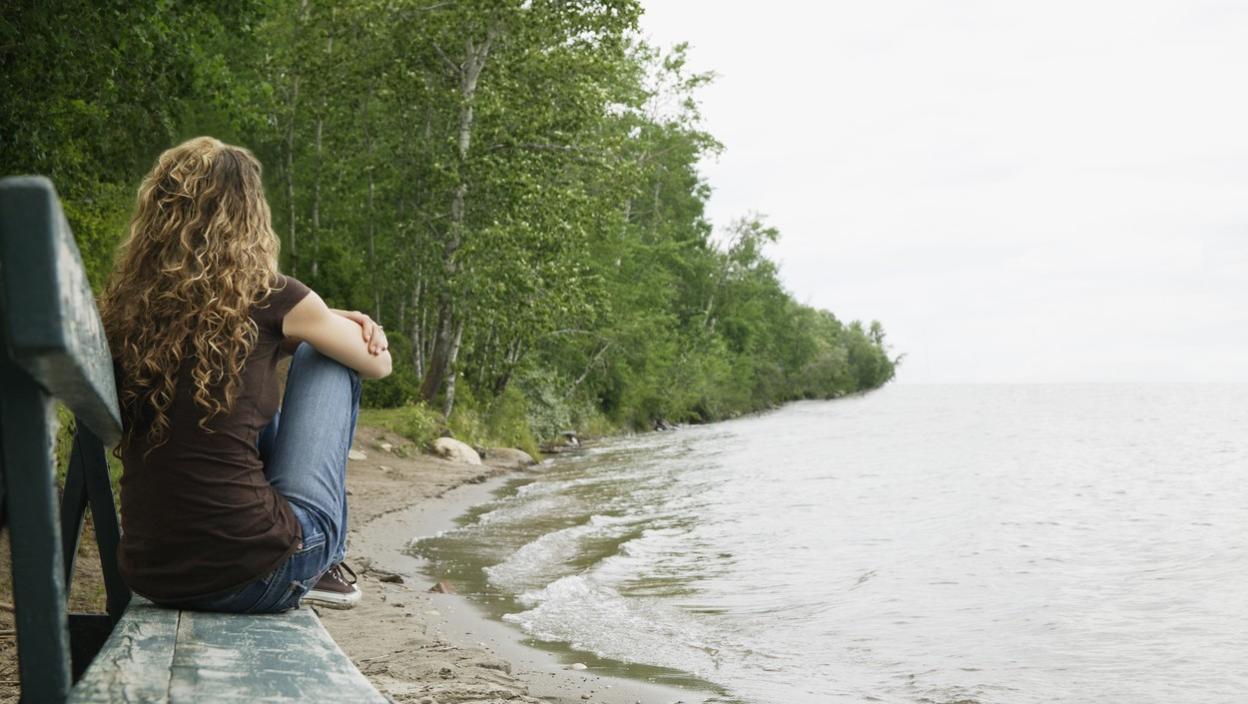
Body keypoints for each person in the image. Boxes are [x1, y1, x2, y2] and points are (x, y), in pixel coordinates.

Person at [98, 136, 392, 613]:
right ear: (249, 216)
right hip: (260, 572)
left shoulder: (129, 311)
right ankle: (327, 561)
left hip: (153, 572)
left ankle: (320, 562)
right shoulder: (271, 296)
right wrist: (338, 323)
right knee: (324, 357)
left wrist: (315, 320)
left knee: (266, 362)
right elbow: (378, 364)